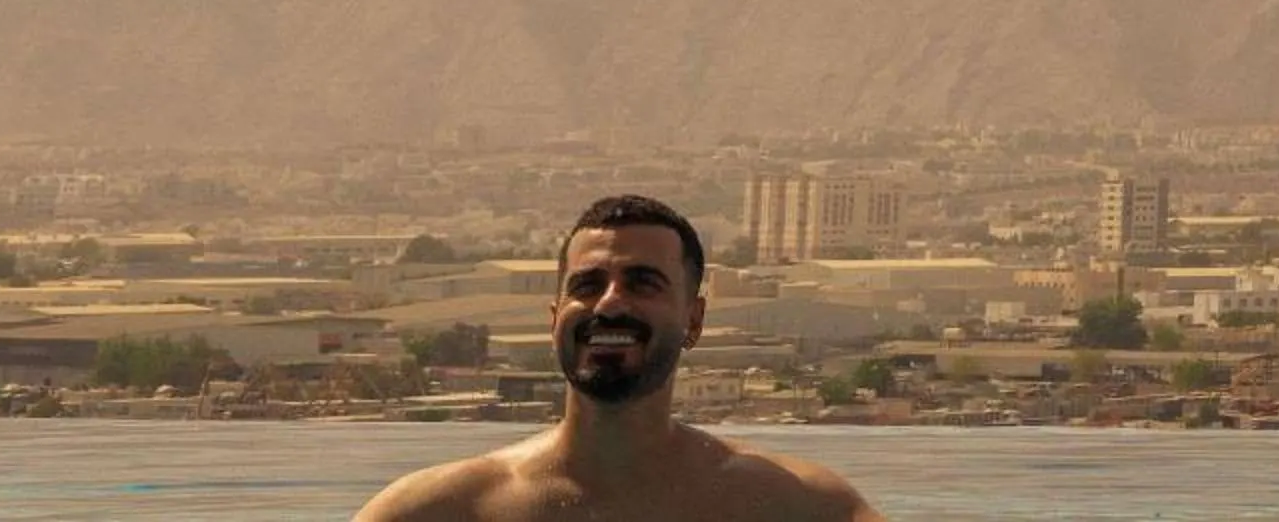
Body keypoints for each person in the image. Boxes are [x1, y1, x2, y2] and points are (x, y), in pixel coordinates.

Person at [355, 195, 885, 522]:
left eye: (643, 283)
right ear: (554, 317)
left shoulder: (793, 507)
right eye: (587, 285)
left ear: (694, 320)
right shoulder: (440, 512)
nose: (609, 302)